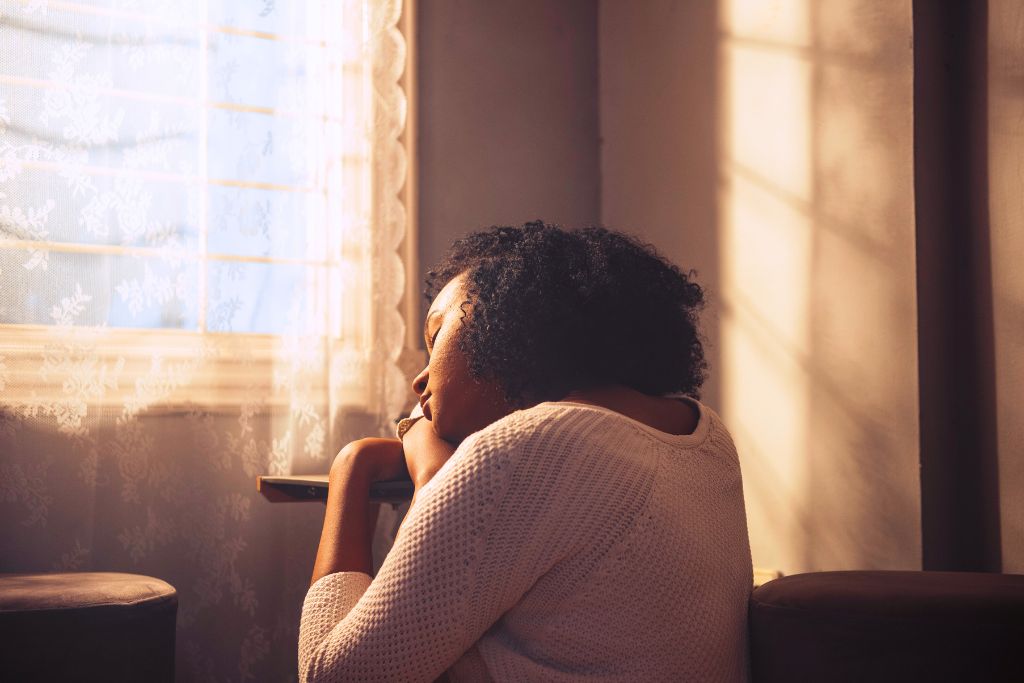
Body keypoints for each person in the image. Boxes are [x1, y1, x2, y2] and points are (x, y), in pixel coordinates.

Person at [299, 221, 753, 682]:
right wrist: (434, 463)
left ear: (503, 326)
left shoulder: (525, 452)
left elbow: (331, 677)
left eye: (435, 340)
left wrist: (353, 467)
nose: (420, 380)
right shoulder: (706, 436)